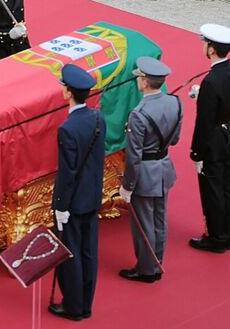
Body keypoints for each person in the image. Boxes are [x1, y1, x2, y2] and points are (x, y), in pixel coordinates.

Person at [118, 56, 181, 284]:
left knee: (144, 224)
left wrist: (127, 186)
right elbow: (174, 139)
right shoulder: (175, 103)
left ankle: (146, 269)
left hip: (144, 174)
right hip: (164, 168)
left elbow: (134, 157)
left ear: (144, 82)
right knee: (159, 219)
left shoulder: (138, 114)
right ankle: (156, 262)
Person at [49, 63, 105, 322]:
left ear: (69, 93)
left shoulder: (67, 129)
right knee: (89, 252)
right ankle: (87, 303)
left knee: (70, 254)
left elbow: (67, 172)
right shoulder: (98, 118)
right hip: (92, 196)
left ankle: (73, 306)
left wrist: (60, 205)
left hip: (72, 202)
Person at [189, 23, 230, 254]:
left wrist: (196, 152)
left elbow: (203, 122)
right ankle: (227, 234)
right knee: (227, 188)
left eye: (206, 43)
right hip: (229, 133)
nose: (203, 46)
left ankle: (215, 237)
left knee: (212, 190)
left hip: (212, 140)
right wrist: (203, 96)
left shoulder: (211, 81)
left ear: (212, 49)